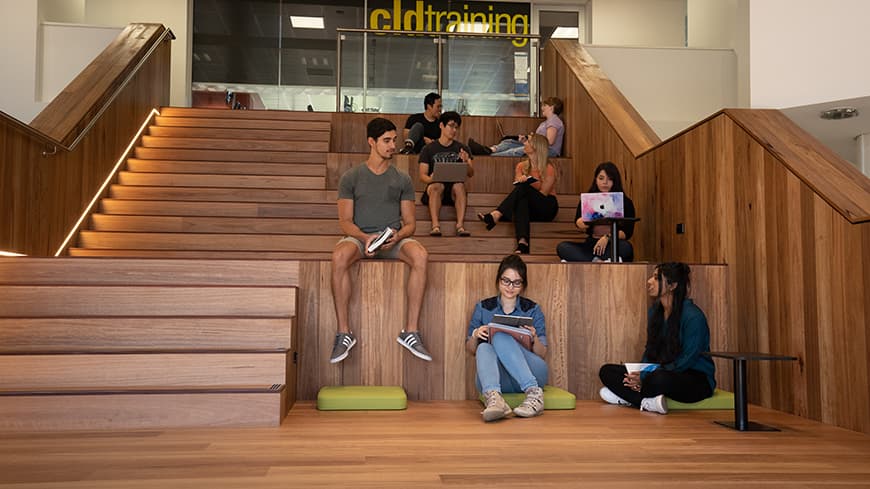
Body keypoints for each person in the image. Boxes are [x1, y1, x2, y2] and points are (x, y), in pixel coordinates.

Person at [329, 117, 432, 364]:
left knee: (421, 255)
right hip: (360, 238)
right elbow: (345, 222)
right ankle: (344, 333)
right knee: (339, 256)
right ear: (371, 142)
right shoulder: (351, 177)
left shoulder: (403, 179)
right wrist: (365, 238)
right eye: (386, 141)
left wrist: (396, 236)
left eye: (394, 140)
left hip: (392, 240)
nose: (392, 145)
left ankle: (411, 332)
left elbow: (410, 224)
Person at [598, 262, 716, 414]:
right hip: (659, 371)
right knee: (606, 371)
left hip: (694, 379)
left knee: (658, 379)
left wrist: (646, 377)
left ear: (672, 286)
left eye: (656, 278)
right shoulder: (655, 311)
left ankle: (629, 397)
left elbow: (688, 359)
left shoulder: (693, 316)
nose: (649, 281)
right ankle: (647, 402)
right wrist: (640, 373)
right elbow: (650, 348)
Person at [467, 255, 548, 421]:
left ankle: (534, 394)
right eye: (506, 281)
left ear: (523, 285)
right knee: (483, 347)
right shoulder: (483, 307)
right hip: (496, 379)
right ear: (498, 280)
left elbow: (542, 353)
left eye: (516, 282)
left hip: (532, 373)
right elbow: (470, 349)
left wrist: (534, 337)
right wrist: (476, 335)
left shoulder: (532, 309)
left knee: (500, 337)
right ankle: (495, 400)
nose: (510, 287)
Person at [476, 134, 559, 254]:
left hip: (547, 206)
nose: (524, 144)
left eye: (528, 142)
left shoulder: (549, 168)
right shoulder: (521, 166)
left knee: (523, 190)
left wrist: (528, 184)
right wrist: (522, 180)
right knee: (521, 201)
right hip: (529, 207)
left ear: (536, 147)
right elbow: (518, 183)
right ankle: (522, 243)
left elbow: (544, 193)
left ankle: (498, 214)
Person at [556, 162, 636, 262]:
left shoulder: (625, 202)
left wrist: (607, 238)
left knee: (627, 248)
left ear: (615, 181)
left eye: (610, 179)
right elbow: (578, 222)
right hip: (591, 245)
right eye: (601, 178)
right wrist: (585, 220)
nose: (605, 182)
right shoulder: (588, 199)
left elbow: (627, 232)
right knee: (563, 247)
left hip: (613, 244)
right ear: (596, 180)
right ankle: (598, 261)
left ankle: (593, 261)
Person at [418, 111, 474, 237]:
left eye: (456, 127)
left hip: (454, 190)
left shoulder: (463, 148)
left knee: (459, 185)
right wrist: (431, 179)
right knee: (437, 185)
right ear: (441, 126)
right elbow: (422, 176)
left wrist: (466, 162)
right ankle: (435, 226)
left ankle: (460, 226)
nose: (454, 130)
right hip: (435, 188)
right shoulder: (428, 149)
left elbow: (470, 173)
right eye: (451, 126)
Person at [468, 97, 564, 157]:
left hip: (547, 151)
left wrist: (530, 140)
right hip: (537, 146)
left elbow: (549, 142)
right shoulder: (546, 122)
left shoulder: (554, 120)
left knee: (514, 151)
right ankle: (489, 150)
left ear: (551, 107)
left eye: (545, 105)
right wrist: (526, 141)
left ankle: (490, 156)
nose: (542, 107)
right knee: (509, 142)